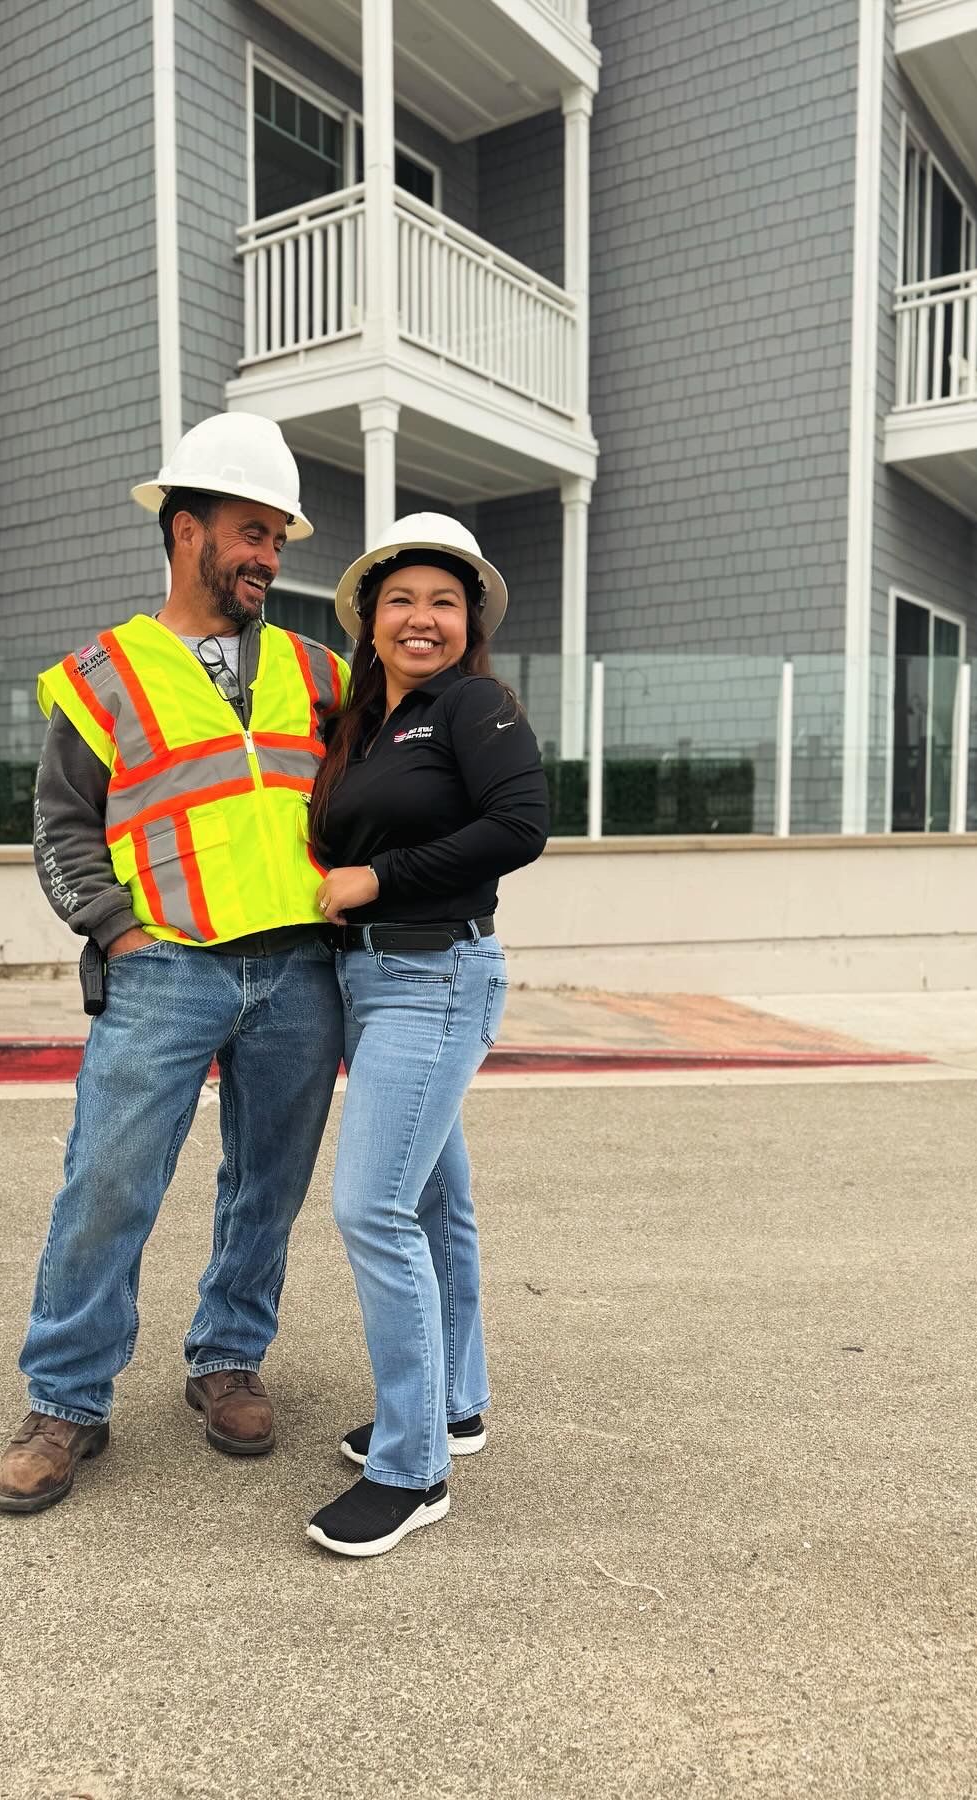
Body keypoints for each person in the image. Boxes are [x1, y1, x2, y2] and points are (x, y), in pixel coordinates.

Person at [0, 414, 349, 1516]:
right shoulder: (102, 676)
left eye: (278, 540)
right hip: (167, 972)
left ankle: (227, 1361)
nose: (268, 557)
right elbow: (63, 831)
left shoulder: (319, 670)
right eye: (250, 532)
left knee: (267, 1188)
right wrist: (117, 931)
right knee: (107, 1183)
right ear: (186, 530)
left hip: (299, 972)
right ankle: (66, 1401)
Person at [303, 514, 549, 1558]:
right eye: (401, 599)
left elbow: (519, 827)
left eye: (444, 602)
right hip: (374, 979)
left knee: (372, 1208)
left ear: (470, 622)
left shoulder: (474, 704)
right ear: (369, 617)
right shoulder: (367, 724)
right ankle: (455, 1404)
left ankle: (413, 1469)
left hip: (434, 972)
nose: (422, 618)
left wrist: (375, 879)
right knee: (437, 1201)